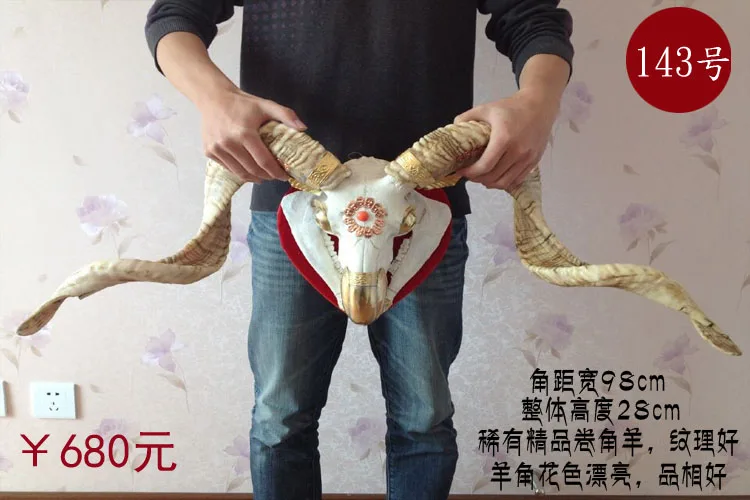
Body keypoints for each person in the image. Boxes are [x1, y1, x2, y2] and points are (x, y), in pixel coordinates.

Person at [144, 1, 573, 498]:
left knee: (424, 420)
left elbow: (531, 17)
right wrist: (215, 98)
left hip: (422, 211)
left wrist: (538, 102)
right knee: (280, 418)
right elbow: (176, 13)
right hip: (295, 207)